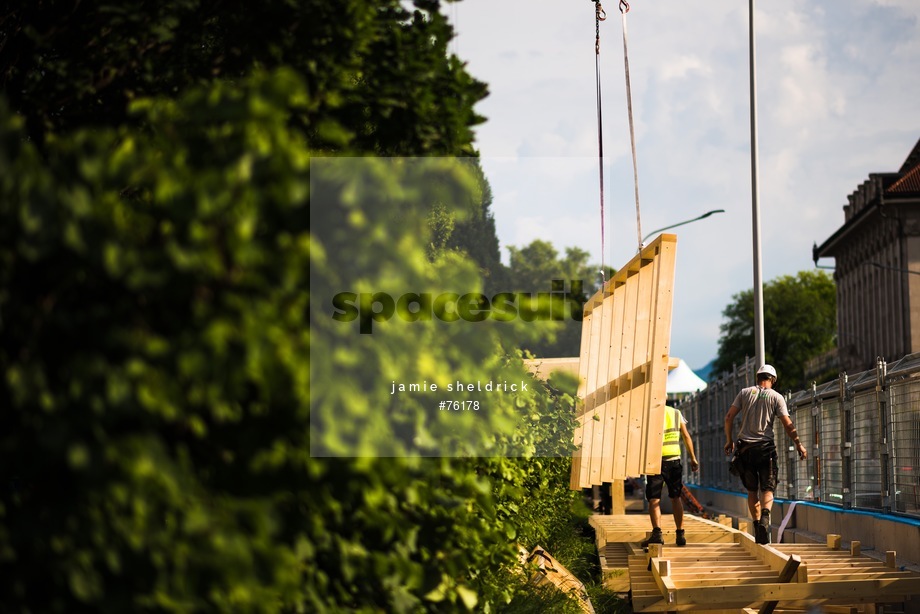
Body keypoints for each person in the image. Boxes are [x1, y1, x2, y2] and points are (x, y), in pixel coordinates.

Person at [723, 364, 807, 545]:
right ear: (773, 380)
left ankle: (756, 524)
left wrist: (729, 440)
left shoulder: (744, 393)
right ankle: (765, 518)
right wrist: (798, 443)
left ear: (757, 377)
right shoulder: (776, 397)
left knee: (752, 490)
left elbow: (729, 417)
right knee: (767, 488)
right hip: (765, 449)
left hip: (745, 449)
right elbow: (787, 423)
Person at [642, 402, 700, 547]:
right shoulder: (676, 413)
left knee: (654, 499)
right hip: (674, 460)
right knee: (675, 497)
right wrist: (692, 457)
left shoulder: (649, 413)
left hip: (655, 461)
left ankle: (657, 534)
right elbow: (686, 436)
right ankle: (680, 534)